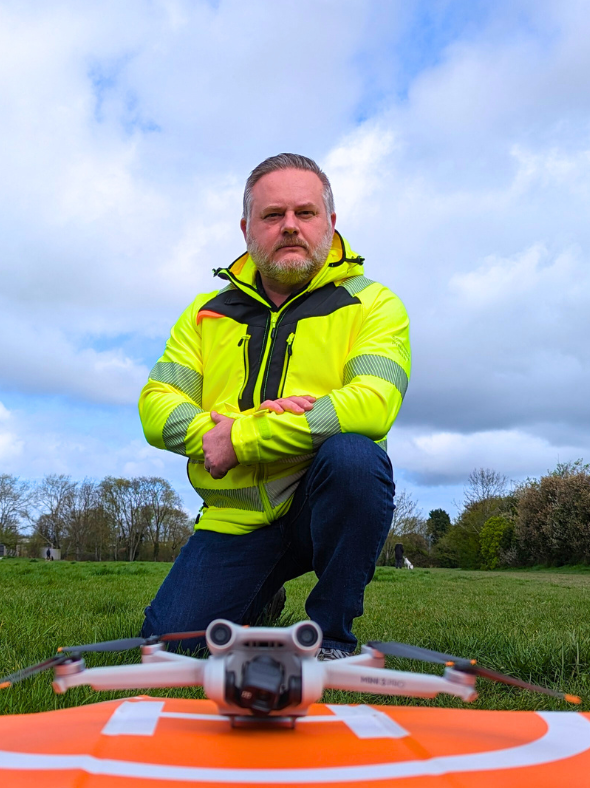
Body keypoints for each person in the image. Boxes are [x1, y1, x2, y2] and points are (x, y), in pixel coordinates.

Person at [139, 153, 411, 658]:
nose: (290, 227)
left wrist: (238, 437)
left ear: (331, 222)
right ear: (246, 229)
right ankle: (261, 595)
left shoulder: (375, 304)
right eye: (272, 215)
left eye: (305, 213)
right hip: (236, 520)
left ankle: (331, 634)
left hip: (322, 504)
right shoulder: (204, 315)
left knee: (355, 456)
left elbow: (371, 406)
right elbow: (156, 406)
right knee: (167, 644)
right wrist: (213, 434)